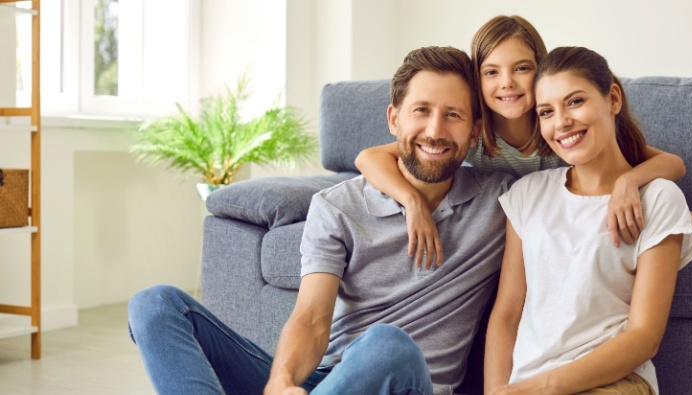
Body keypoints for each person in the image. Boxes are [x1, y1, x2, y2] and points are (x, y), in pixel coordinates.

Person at [128, 46, 515, 395]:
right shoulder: (337, 205)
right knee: (156, 303)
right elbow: (312, 318)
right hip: (329, 381)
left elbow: (559, 147)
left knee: (387, 344)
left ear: (475, 130)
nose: (434, 130)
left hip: (410, 382)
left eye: (453, 116)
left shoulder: (501, 199)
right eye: (421, 111)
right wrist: (281, 382)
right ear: (393, 119)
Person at [355, 15, 692, 269]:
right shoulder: (470, 133)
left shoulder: (562, 130)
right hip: (508, 227)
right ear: (478, 78)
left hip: (573, 215)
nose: (507, 84)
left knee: (624, 198)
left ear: (542, 70)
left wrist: (628, 181)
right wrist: (412, 202)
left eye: (522, 68)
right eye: (492, 72)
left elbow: (672, 165)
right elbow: (368, 156)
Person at [484, 46, 692, 395]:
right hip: (526, 383)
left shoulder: (660, 198)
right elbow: (507, 314)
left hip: (616, 381)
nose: (562, 122)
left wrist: (544, 387)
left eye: (575, 102)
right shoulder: (526, 195)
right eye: (546, 112)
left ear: (613, 99)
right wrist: (497, 391)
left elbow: (644, 337)